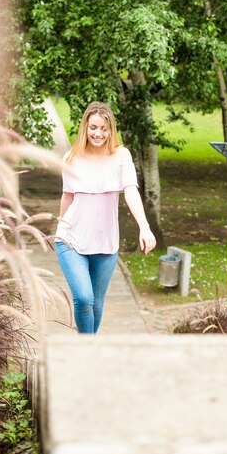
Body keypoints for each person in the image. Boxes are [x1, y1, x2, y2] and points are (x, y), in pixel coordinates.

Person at [54, 101, 156, 334]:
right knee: (83, 298)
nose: (98, 133)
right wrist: (60, 227)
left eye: (104, 128)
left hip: (105, 243)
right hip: (71, 240)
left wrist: (145, 227)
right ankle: (88, 354)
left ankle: (89, 348)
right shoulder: (71, 158)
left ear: (111, 130)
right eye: (93, 127)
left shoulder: (121, 156)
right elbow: (67, 197)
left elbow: (130, 190)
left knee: (97, 305)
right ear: (85, 128)